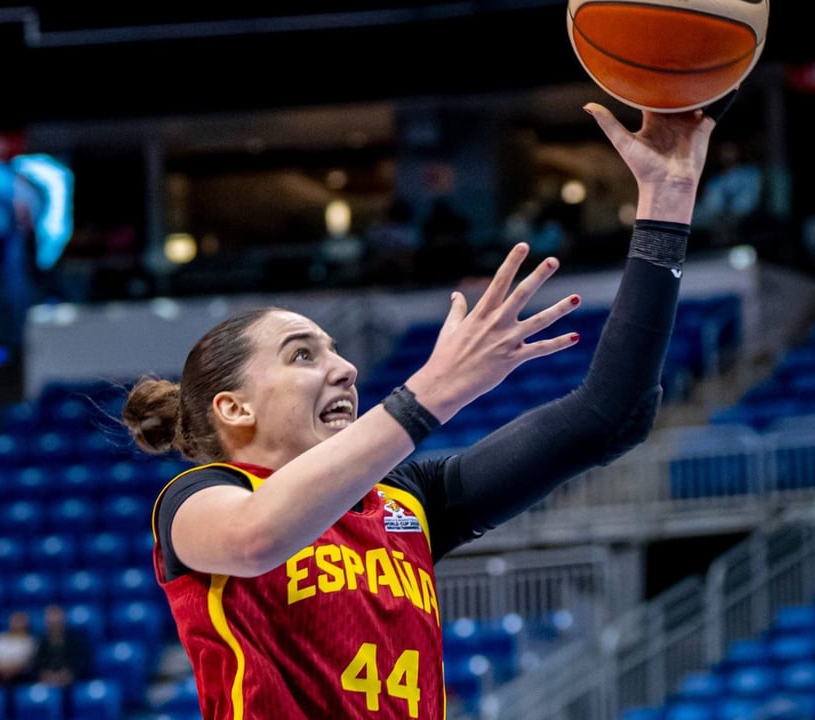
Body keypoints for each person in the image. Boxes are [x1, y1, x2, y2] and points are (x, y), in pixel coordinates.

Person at [121, 101, 718, 719]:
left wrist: (667, 202)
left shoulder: (406, 503)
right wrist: (432, 390)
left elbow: (610, 415)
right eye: (301, 355)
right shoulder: (195, 501)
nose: (345, 369)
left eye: (336, 351)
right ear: (234, 407)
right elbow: (256, 538)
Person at [31, 603, 91, 688]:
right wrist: (44, 676)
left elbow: (83, 664)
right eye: (51, 619)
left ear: (64, 618)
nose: (54, 622)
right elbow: (35, 666)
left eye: (57, 618)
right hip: (46, 684)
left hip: (72, 685)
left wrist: (70, 674)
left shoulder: (77, 641)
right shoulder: (40, 642)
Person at [0, 609, 39, 687]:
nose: (18, 624)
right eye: (15, 620)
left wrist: (9, 671)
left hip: (19, 678)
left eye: (21, 621)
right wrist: (1, 670)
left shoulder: (30, 641)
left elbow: (25, 663)